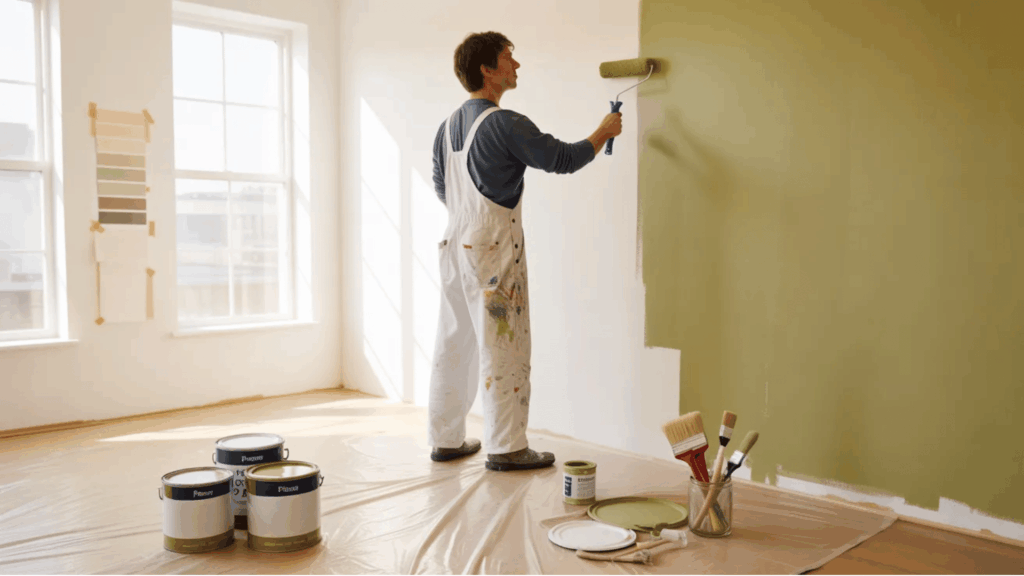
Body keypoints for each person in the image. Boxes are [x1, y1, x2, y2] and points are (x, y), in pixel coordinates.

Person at [427, 31, 624, 471]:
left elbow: (443, 187)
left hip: (454, 244)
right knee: (504, 343)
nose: (516, 66)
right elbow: (563, 159)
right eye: (508, 58)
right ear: (487, 70)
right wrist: (604, 131)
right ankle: (507, 447)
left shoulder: (446, 127)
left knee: (454, 341)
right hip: (492, 250)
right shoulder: (505, 124)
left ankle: (445, 439)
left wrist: (471, 220)